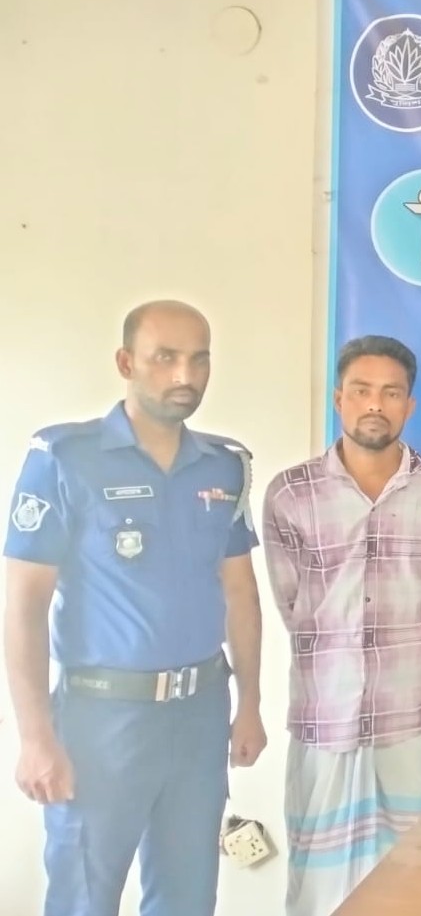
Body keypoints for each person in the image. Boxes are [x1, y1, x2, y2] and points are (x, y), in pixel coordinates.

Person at [3, 300, 266, 916]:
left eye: (199, 360)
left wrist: (251, 702)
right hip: (101, 721)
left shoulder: (224, 467)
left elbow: (240, 591)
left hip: (199, 715)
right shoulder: (65, 458)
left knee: (187, 898)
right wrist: (35, 737)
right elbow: (22, 605)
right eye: (165, 358)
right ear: (126, 363)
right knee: (84, 899)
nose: (185, 375)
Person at [263, 335, 421, 916]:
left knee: (405, 882)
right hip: (325, 716)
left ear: (410, 406)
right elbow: (292, 604)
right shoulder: (291, 493)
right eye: (362, 390)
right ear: (338, 398)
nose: (376, 404)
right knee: (318, 886)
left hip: (404, 720)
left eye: (391, 393)